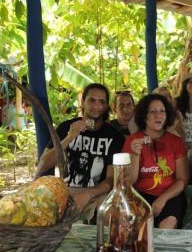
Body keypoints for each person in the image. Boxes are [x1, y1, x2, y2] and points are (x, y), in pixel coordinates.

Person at [36, 83, 125, 212]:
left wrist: (88, 194)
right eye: (91, 100)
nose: (96, 106)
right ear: (83, 102)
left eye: (101, 102)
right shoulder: (66, 127)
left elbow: (111, 179)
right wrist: (69, 138)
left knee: (110, 212)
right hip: (66, 191)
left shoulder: (113, 135)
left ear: (106, 106)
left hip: (97, 193)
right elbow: (44, 163)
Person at [123, 93, 189, 229]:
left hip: (170, 196)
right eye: (153, 111)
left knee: (167, 227)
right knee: (141, 231)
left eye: (162, 111)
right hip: (140, 196)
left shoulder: (176, 142)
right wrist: (135, 154)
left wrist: (162, 199)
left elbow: (183, 180)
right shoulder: (132, 141)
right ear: (144, 115)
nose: (158, 115)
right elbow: (129, 181)